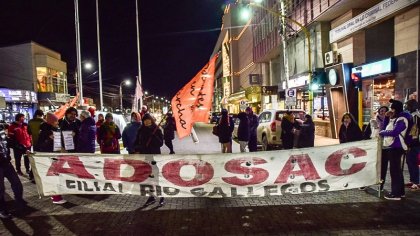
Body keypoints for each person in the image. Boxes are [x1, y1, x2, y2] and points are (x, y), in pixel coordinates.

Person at [379, 99, 412, 200]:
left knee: (395, 171)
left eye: (392, 108)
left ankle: (395, 194)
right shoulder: (397, 118)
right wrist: (386, 117)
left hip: (397, 146)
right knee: (396, 170)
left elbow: (394, 132)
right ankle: (400, 192)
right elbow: (385, 127)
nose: (390, 110)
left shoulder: (402, 119)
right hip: (394, 146)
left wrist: (383, 133)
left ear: (395, 109)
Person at [133, 113, 164, 207]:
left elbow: (160, 143)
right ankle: (152, 196)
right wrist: (138, 149)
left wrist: (153, 135)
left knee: (157, 178)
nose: (146, 122)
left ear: (151, 120)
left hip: (155, 157)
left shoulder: (157, 129)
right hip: (146, 158)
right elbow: (136, 143)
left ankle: (162, 196)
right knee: (148, 178)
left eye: (148, 120)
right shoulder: (141, 130)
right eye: (144, 120)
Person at [36, 112, 67, 204]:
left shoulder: (53, 130)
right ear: (51, 122)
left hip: (53, 156)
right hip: (49, 157)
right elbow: (39, 146)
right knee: (54, 177)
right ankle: (56, 197)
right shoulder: (45, 132)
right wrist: (49, 139)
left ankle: (54, 195)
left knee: (54, 176)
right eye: (55, 121)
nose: (57, 123)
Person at [0, 124, 26, 219]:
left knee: (17, 184)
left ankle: (19, 201)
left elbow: (9, 142)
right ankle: (2, 210)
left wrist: (24, 149)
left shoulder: (1, 130)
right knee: (0, 189)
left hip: (7, 163)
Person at [404, 99, 420, 190]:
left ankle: (416, 182)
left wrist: (409, 142)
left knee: (413, 161)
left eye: (408, 106)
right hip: (414, 142)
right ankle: (413, 180)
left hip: (414, 143)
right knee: (410, 161)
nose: (406, 108)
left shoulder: (415, 117)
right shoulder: (414, 116)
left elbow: (414, 132)